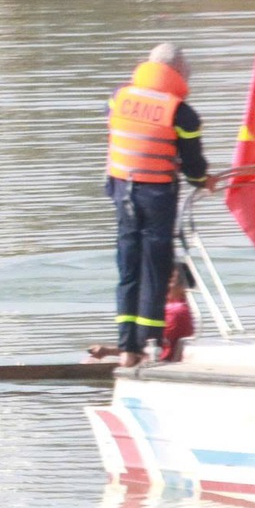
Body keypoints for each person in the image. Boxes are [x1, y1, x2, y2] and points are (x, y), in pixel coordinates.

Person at [105, 43, 209, 367]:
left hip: (122, 190)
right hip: (156, 196)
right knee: (155, 269)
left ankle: (126, 349)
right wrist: (204, 180)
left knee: (128, 269)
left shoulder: (118, 97)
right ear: (178, 72)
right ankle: (148, 345)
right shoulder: (182, 113)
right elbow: (194, 168)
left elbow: (122, 134)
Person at [91, 264, 196, 363]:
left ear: (183, 286)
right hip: (158, 357)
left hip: (160, 362)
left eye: (170, 280)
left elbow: (146, 346)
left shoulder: (174, 312)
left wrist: (107, 351)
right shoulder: (179, 308)